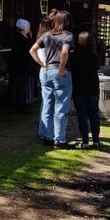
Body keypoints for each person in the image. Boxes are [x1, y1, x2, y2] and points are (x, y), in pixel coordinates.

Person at [30, 10, 75, 148]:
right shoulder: (68, 35)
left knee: (47, 105)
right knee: (61, 107)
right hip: (60, 73)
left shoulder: (47, 34)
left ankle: (47, 136)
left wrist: (42, 64)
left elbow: (32, 50)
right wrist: (61, 68)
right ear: (68, 22)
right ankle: (60, 140)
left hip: (47, 71)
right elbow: (65, 51)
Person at [70, 31, 101, 148]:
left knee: (82, 115)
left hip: (78, 87)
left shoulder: (74, 55)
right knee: (94, 114)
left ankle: (85, 141)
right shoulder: (94, 56)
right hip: (92, 87)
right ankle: (96, 140)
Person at [8, 18, 38, 109]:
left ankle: (24, 102)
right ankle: (24, 103)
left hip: (21, 66)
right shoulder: (21, 38)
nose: (29, 28)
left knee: (22, 85)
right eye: (28, 27)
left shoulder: (21, 37)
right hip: (23, 66)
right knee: (23, 86)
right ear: (24, 28)